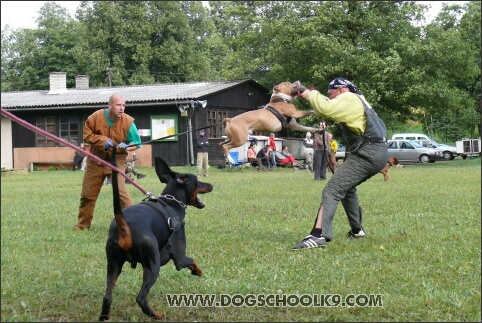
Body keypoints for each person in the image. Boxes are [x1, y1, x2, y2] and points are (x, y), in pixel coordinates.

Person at [291, 77, 388, 250]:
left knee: (332, 190)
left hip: (368, 153)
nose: (331, 98)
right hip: (377, 152)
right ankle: (357, 230)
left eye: (331, 94)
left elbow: (326, 109)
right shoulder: (362, 102)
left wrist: (307, 93)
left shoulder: (349, 97)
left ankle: (318, 235)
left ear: (342, 89)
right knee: (346, 187)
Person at [73, 93, 142, 231]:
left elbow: (137, 143)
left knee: (121, 193)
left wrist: (126, 146)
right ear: (110, 105)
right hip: (96, 160)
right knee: (87, 195)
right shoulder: (94, 118)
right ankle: (83, 225)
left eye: (123, 105)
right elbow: (87, 135)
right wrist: (104, 141)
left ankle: (135, 224)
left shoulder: (128, 122)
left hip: (117, 161)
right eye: (118, 105)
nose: (121, 108)